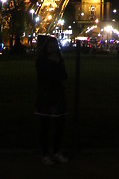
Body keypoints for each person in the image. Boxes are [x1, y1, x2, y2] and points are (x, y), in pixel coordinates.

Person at [35, 34, 69, 165]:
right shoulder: (43, 60)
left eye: (53, 45)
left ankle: (55, 152)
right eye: (50, 45)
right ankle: (45, 154)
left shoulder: (56, 60)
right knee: (46, 126)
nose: (52, 47)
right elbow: (49, 77)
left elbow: (64, 76)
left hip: (56, 94)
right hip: (46, 94)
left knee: (59, 126)